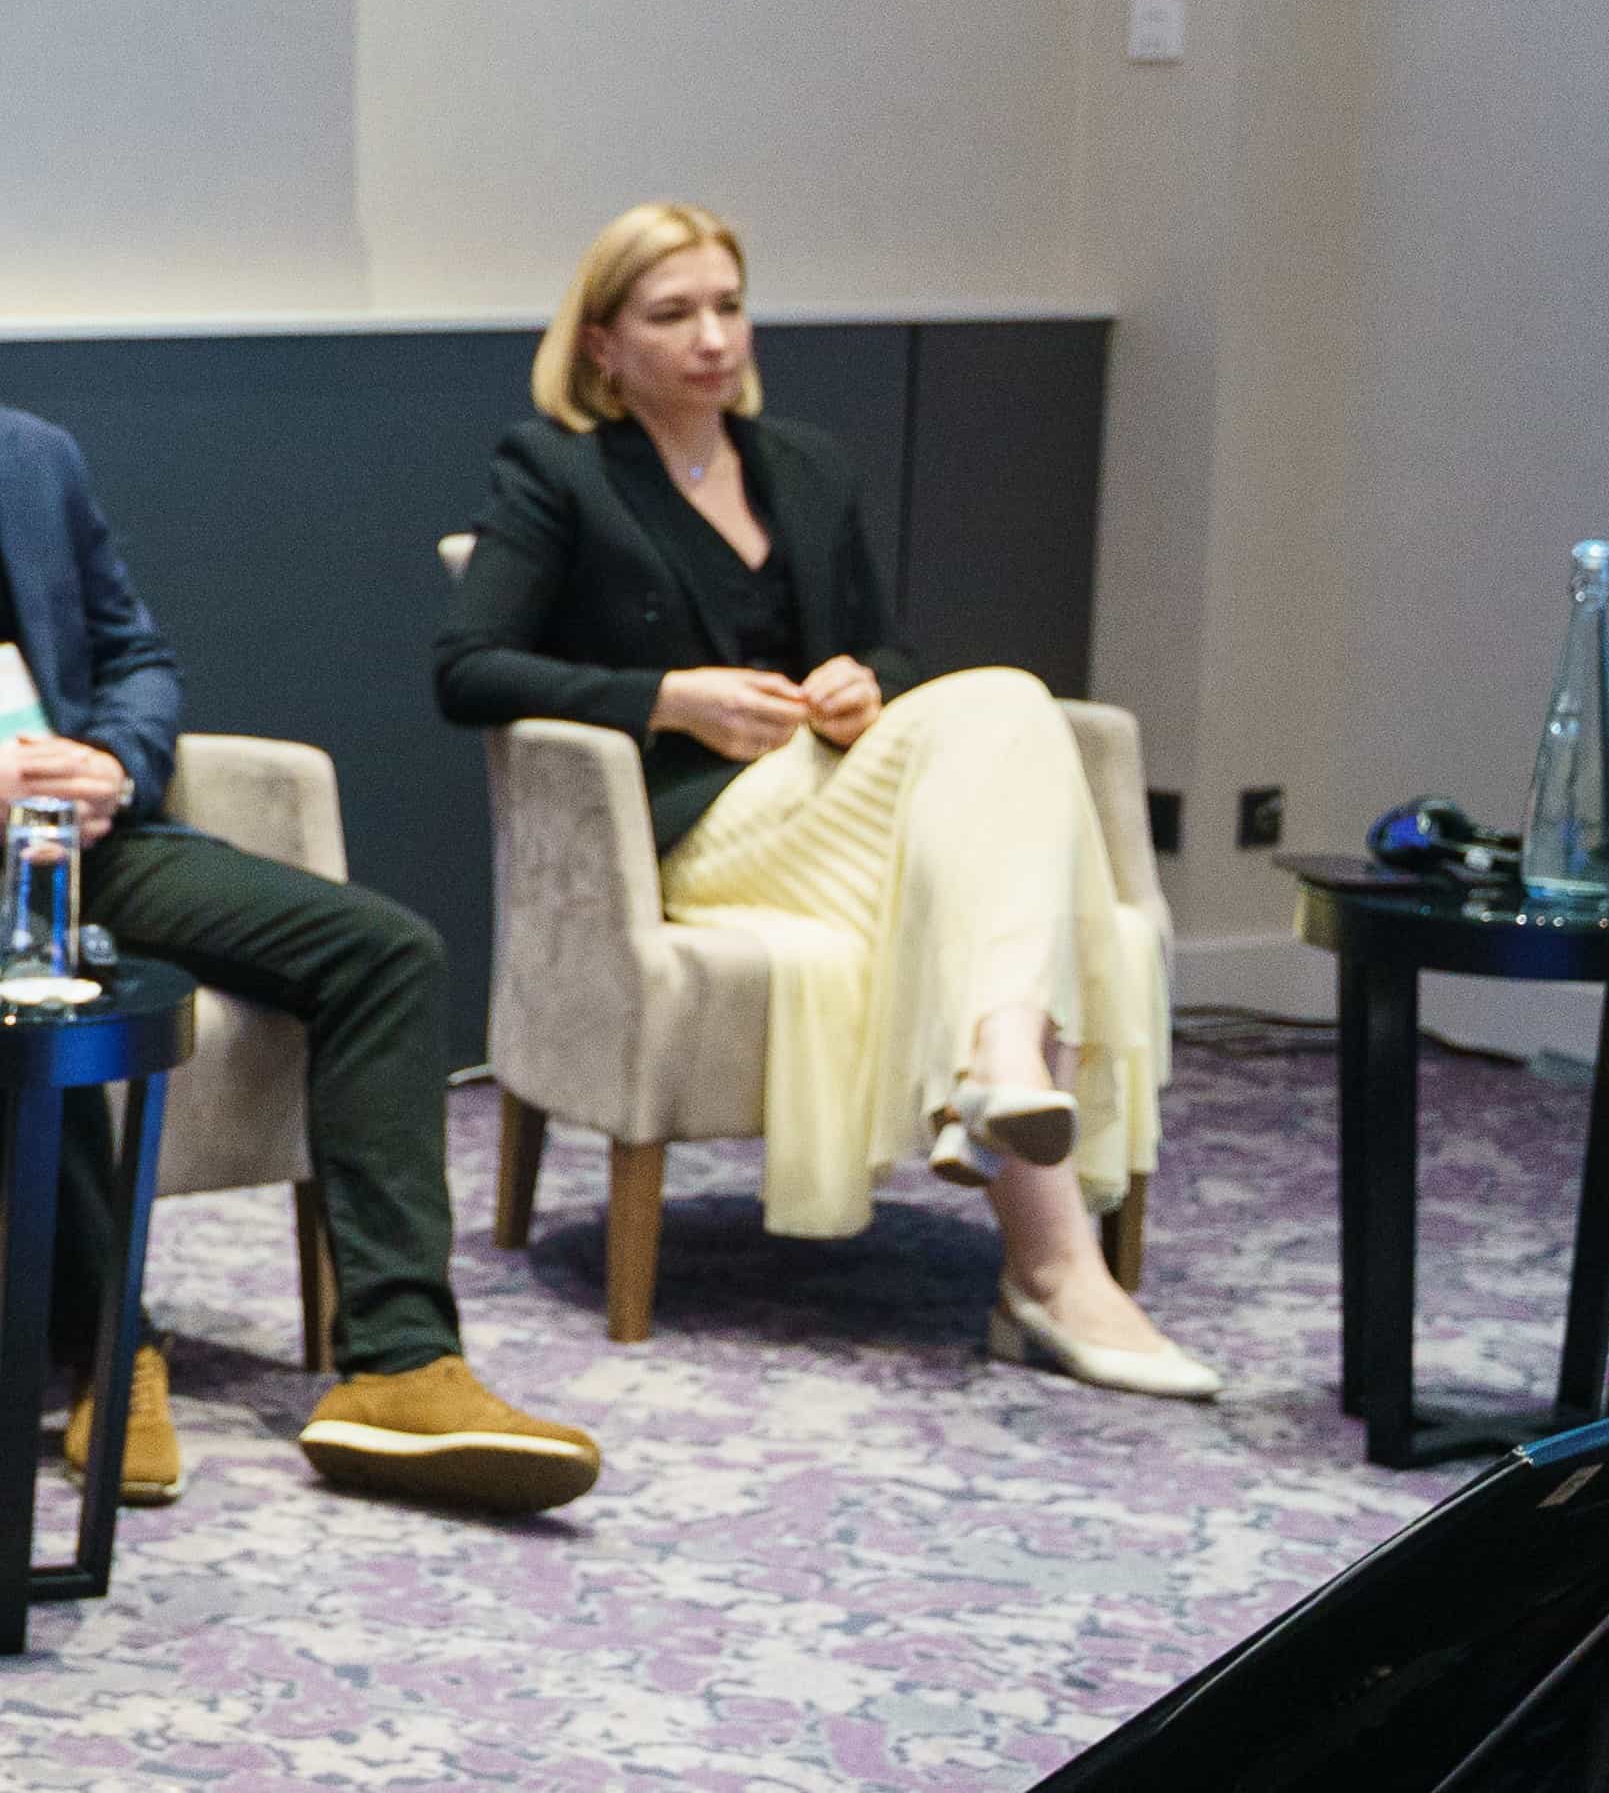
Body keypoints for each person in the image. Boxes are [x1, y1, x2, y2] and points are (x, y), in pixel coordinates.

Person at [0, 153, 605, 1514]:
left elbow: (139, 656)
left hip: (75, 840)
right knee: (1, 970)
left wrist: (114, 762)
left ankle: (400, 1363)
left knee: (384, 950)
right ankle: (107, 1354)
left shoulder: (33, 459)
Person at [435, 201, 1204, 1397]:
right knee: (1007, 705)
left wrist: (860, 684)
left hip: (824, 791)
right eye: (672, 313)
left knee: (1004, 715)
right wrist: (670, 698)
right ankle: (1047, 1234)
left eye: (728, 306)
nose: (711, 337)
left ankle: (1019, 1135)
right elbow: (469, 669)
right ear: (600, 342)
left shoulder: (804, 464)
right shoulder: (558, 470)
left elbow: (883, 648)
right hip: (699, 829)